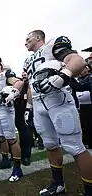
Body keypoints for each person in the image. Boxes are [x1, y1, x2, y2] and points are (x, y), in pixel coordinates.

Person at [23, 30, 92, 196]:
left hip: (57, 99)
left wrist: (63, 75)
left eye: (28, 38)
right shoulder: (28, 60)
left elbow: (77, 61)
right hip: (39, 103)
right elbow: (31, 85)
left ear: (38, 38)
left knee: (75, 146)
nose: (25, 42)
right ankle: (58, 184)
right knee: (50, 144)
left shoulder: (52, 46)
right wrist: (28, 107)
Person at [0, 57, 24, 182]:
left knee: (11, 138)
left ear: (0, 66)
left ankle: (18, 168)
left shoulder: (6, 74)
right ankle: (5, 161)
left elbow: (19, 83)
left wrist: (12, 94)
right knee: (1, 137)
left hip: (6, 109)